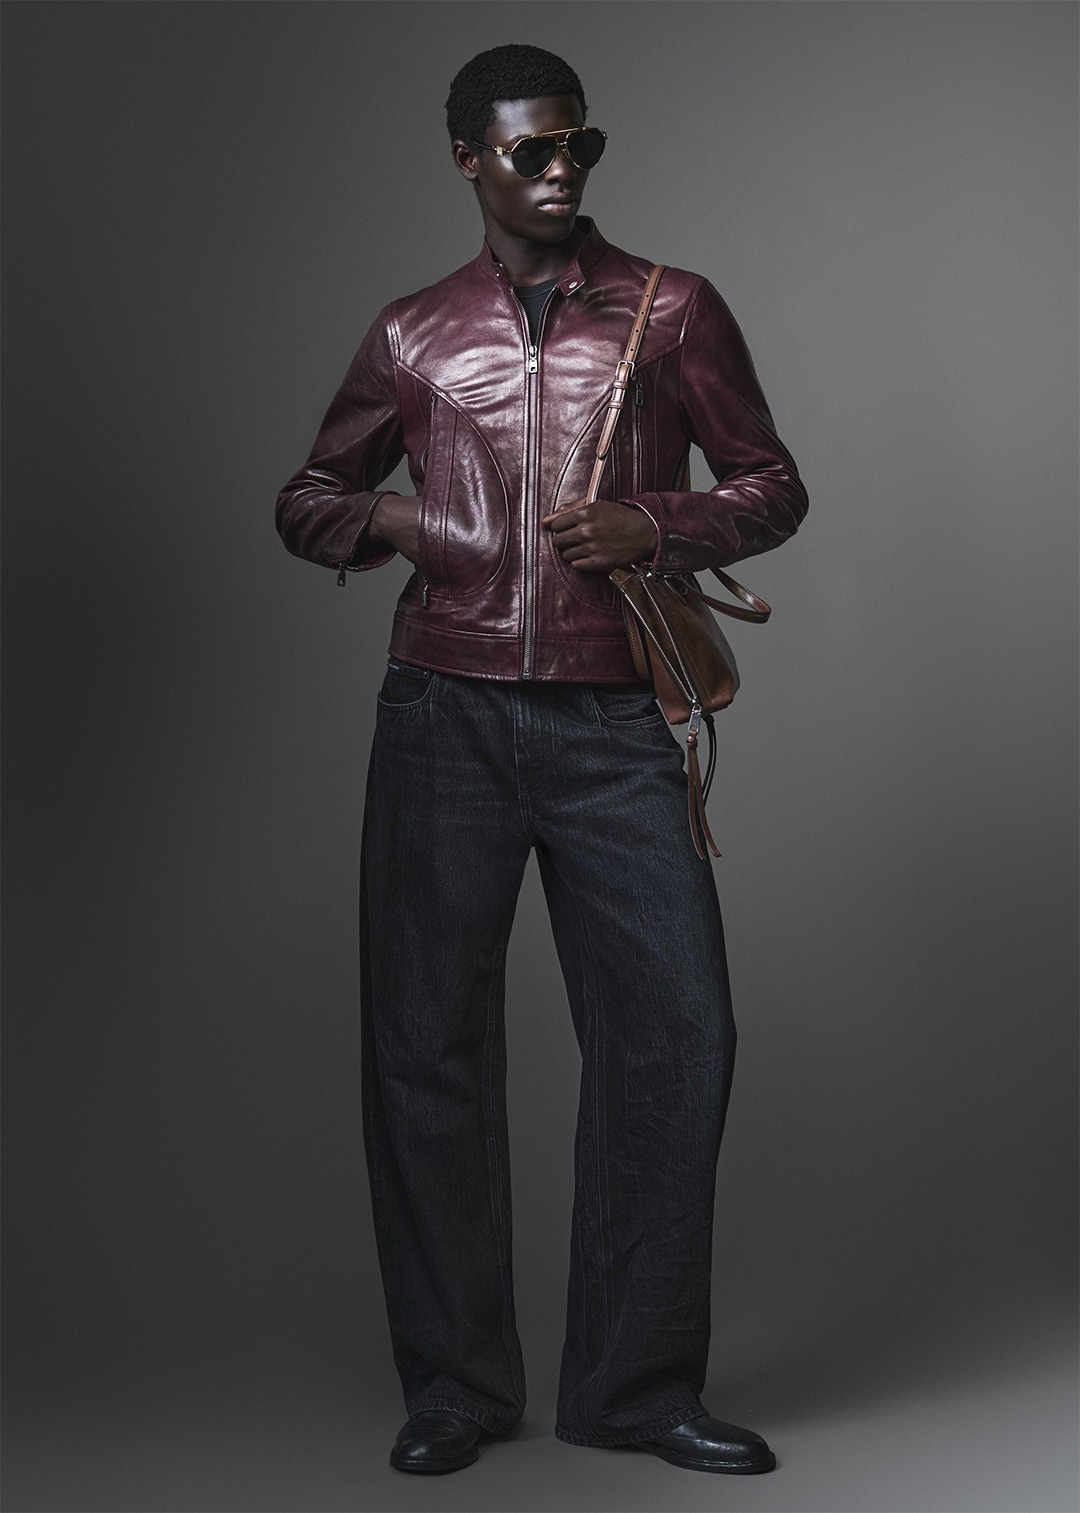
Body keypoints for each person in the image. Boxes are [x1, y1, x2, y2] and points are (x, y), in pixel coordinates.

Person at [276, 43, 807, 1476]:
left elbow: (773, 484)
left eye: (580, 145)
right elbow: (310, 496)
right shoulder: (414, 334)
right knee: (425, 1048)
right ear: (469, 159)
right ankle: (456, 1387)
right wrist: (405, 523)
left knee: (677, 1035)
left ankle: (633, 1388)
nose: (561, 170)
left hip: (612, 722)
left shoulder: (672, 309)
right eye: (530, 150)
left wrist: (661, 525)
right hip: (440, 720)